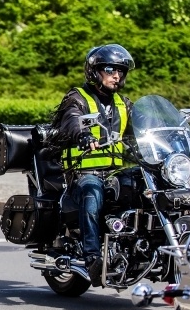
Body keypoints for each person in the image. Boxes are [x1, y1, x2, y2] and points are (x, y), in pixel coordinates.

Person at [51, 44, 135, 287]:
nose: (116, 75)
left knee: (146, 188)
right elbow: (72, 120)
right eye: (110, 70)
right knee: (92, 194)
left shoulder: (124, 103)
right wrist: (83, 135)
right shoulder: (77, 98)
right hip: (83, 172)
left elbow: (139, 129)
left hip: (115, 173)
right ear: (94, 71)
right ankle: (92, 257)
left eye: (120, 71)